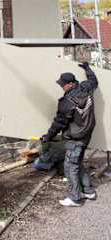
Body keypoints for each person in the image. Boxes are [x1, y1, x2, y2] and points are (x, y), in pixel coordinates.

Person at [42, 62, 98, 207]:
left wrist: (48, 137)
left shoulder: (67, 102)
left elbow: (58, 123)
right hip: (86, 133)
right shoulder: (86, 88)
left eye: (63, 84)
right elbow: (94, 81)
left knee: (70, 166)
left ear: (71, 84)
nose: (62, 86)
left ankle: (75, 198)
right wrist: (87, 68)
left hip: (75, 138)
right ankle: (89, 191)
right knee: (77, 162)